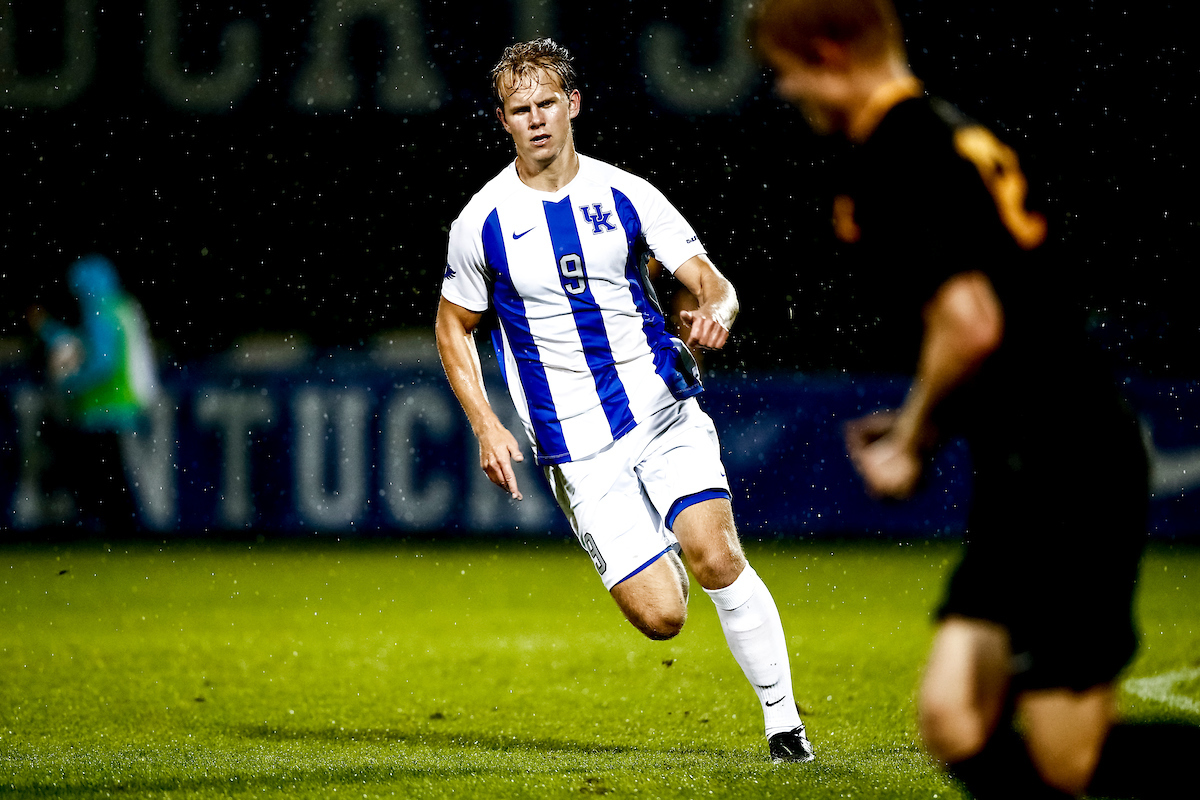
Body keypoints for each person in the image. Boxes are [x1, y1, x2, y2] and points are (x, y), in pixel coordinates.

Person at [749, 1, 1199, 797]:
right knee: (956, 719)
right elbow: (1008, 318)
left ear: (825, 54)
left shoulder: (895, 150)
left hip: (1069, 465)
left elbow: (971, 323)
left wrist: (912, 441)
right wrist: (942, 412)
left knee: (1072, 761)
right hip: (1030, 460)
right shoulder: (941, 133)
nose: (786, 95)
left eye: (785, 73)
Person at [435, 38, 814, 763]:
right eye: (522, 109)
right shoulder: (480, 221)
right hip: (575, 447)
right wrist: (484, 422)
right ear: (502, 121)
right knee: (663, 616)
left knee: (716, 554)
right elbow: (454, 325)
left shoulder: (627, 194)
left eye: (549, 103)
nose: (538, 119)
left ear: (573, 104)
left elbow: (712, 283)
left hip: (659, 405)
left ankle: (784, 725)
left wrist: (719, 315)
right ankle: (651, 540)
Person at [27, 253, 159, 532]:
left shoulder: (99, 310)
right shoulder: (122, 306)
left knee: (102, 480)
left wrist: (68, 384)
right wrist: (50, 330)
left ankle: (115, 536)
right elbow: (85, 347)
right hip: (125, 403)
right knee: (112, 479)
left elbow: (100, 362)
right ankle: (124, 535)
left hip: (104, 407)